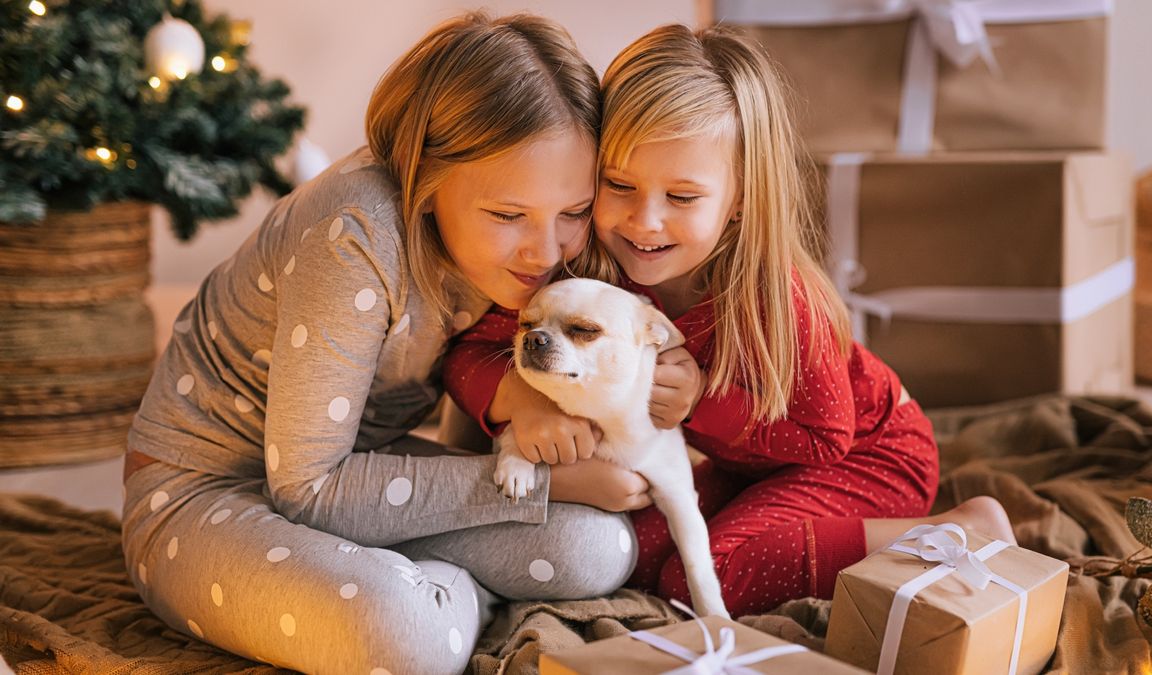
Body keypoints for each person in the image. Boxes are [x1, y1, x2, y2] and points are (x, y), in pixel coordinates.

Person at [120, 13, 643, 674]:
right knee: (397, 634)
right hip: (204, 494)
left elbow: (469, 370)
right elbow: (306, 489)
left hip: (364, 474)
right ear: (425, 178)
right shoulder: (355, 234)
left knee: (599, 548)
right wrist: (541, 482)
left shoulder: (513, 252)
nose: (546, 249)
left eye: (571, 213)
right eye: (509, 215)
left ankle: (430, 596)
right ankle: (426, 606)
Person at [444, 23, 1016, 619]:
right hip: (747, 470)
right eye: (619, 185)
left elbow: (825, 441)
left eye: (683, 197)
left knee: (705, 580)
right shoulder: (591, 280)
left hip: (869, 460)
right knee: (639, 556)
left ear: (740, 196)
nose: (645, 221)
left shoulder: (780, 301)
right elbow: (467, 353)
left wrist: (700, 402)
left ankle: (954, 531)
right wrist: (520, 400)